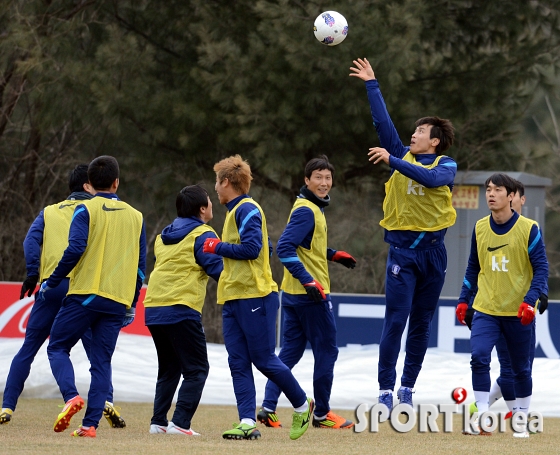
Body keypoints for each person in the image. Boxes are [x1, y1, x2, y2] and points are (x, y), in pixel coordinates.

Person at [349, 58, 457, 411]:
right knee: (396, 320)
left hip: (434, 254)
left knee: (422, 324)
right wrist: (372, 83)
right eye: (413, 131)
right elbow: (383, 122)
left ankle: (407, 387)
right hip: (402, 254)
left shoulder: (445, 165)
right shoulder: (400, 152)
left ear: (435, 141)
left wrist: (394, 161)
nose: (413, 135)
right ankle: (385, 388)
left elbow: (429, 180)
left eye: (421, 132)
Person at [0, 164, 125, 429]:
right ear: (87, 186)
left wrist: (33, 274)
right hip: (84, 289)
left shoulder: (49, 212)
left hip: (51, 287)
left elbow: (30, 242)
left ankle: (7, 406)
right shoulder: (96, 212)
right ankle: (107, 401)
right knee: (97, 353)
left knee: (29, 348)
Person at [203, 154, 313, 441]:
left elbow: (252, 248)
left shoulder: (247, 208)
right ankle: (247, 421)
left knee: (263, 359)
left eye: (217, 181)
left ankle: (302, 404)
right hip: (233, 297)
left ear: (227, 181)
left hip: (255, 296)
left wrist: (217, 246)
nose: (215, 187)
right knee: (237, 361)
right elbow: (264, 247)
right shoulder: (236, 211)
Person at [41, 156, 146, 438]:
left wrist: (52, 281)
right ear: (116, 182)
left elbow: (75, 248)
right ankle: (89, 426)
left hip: (86, 295)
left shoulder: (85, 210)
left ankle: (71, 397)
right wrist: (132, 303)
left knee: (58, 347)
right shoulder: (136, 216)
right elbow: (140, 267)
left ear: (90, 185)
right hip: (118, 301)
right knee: (101, 362)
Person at [257, 155, 356, 430]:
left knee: (290, 351)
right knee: (327, 351)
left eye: (328, 178)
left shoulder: (309, 206)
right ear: (306, 180)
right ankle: (322, 414)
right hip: (310, 295)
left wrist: (333, 255)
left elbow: (304, 246)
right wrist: (309, 281)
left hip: (291, 294)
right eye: (318, 178)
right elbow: (285, 247)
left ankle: (267, 406)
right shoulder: (306, 210)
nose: (324, 183)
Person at [455, 173, 548, 437]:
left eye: (497, 190)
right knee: (479, 357)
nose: (491, 194)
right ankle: (482, 414)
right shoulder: (480, 227)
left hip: (518, 312)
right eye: (488, 189)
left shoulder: (529, 229)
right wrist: (464, 299)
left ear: (511, 196)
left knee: (520, 369)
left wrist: (530, 301)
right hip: (486, 309)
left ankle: (521, 419)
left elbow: (541, 268)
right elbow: (473, 267)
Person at [143, 185, 223, 436]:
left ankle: (158, 423)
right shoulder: (204, 234)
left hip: (154, 307)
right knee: (197, 369)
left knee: (169, 368)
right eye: (209, 201)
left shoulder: (164, 236)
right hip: (181, 308)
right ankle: (180, 423)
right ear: (202, 209)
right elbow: (218, 268)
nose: (212, 204)